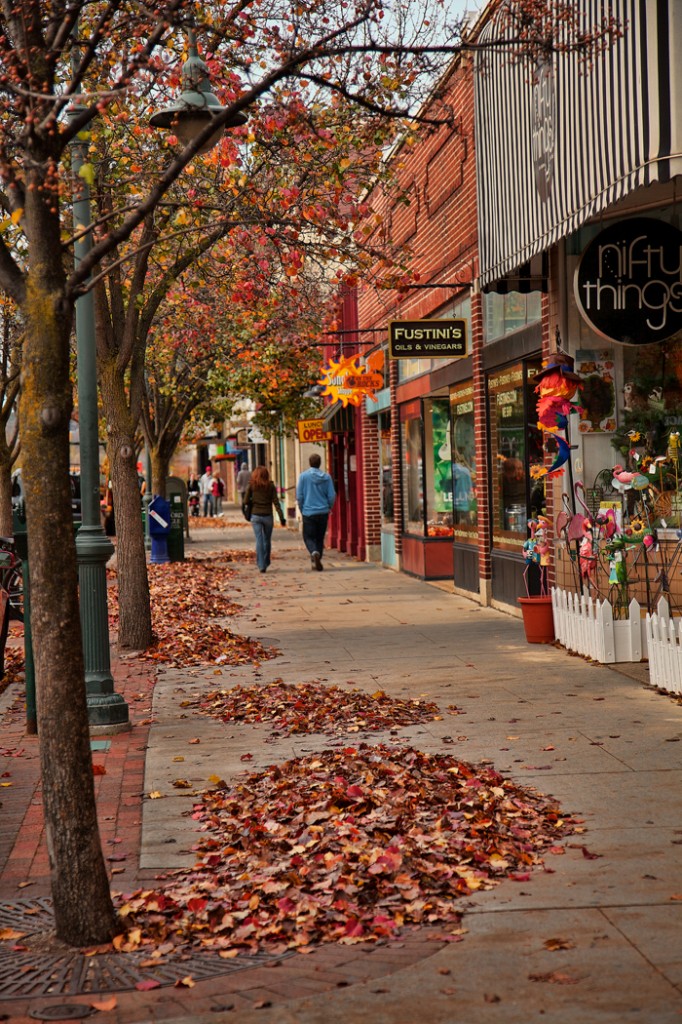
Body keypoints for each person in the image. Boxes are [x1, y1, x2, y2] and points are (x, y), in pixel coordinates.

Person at [296, 453, 336, 571]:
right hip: (323, 511)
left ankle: (314, 552)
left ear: (310, 463)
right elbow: (332, 495)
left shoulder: (303, 477)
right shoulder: (327, 477)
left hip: (308, 512)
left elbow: (299, 496)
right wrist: (329, 507)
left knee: (308, 536)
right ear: (320, 463)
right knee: (319, 537)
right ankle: (317, 558)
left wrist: (302, 508)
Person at [243, 465, 285, 573]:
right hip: (268, 516)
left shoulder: (252, 485)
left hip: (256, 516)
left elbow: (245, 501)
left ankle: (261, 565)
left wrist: (253, 501)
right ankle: (266, 562)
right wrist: (282, 518)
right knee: (267, 539)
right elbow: (276, 502)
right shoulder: (270, 486)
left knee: (259, 539)